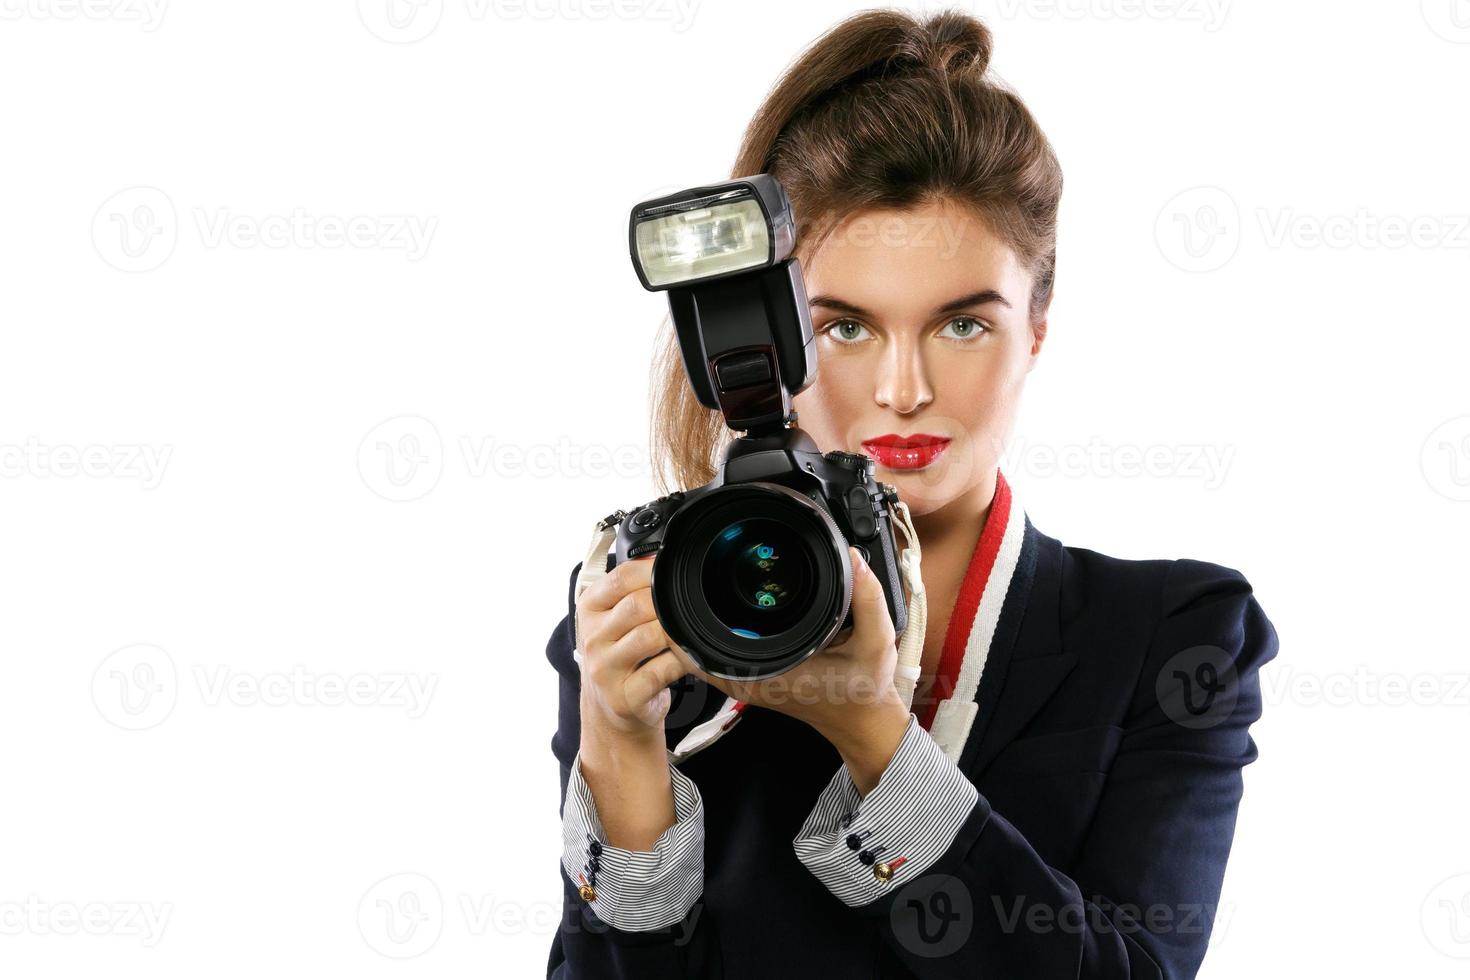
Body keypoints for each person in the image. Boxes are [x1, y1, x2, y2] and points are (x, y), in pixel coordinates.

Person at [545, 10, 1279, 978]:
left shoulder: (1172, 635)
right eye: (844, 327)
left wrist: (874, 736)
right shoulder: (666, 614)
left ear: (1039, 330)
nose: (902, 388)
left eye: (962, 326)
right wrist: (621, 762)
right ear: (774, 338)